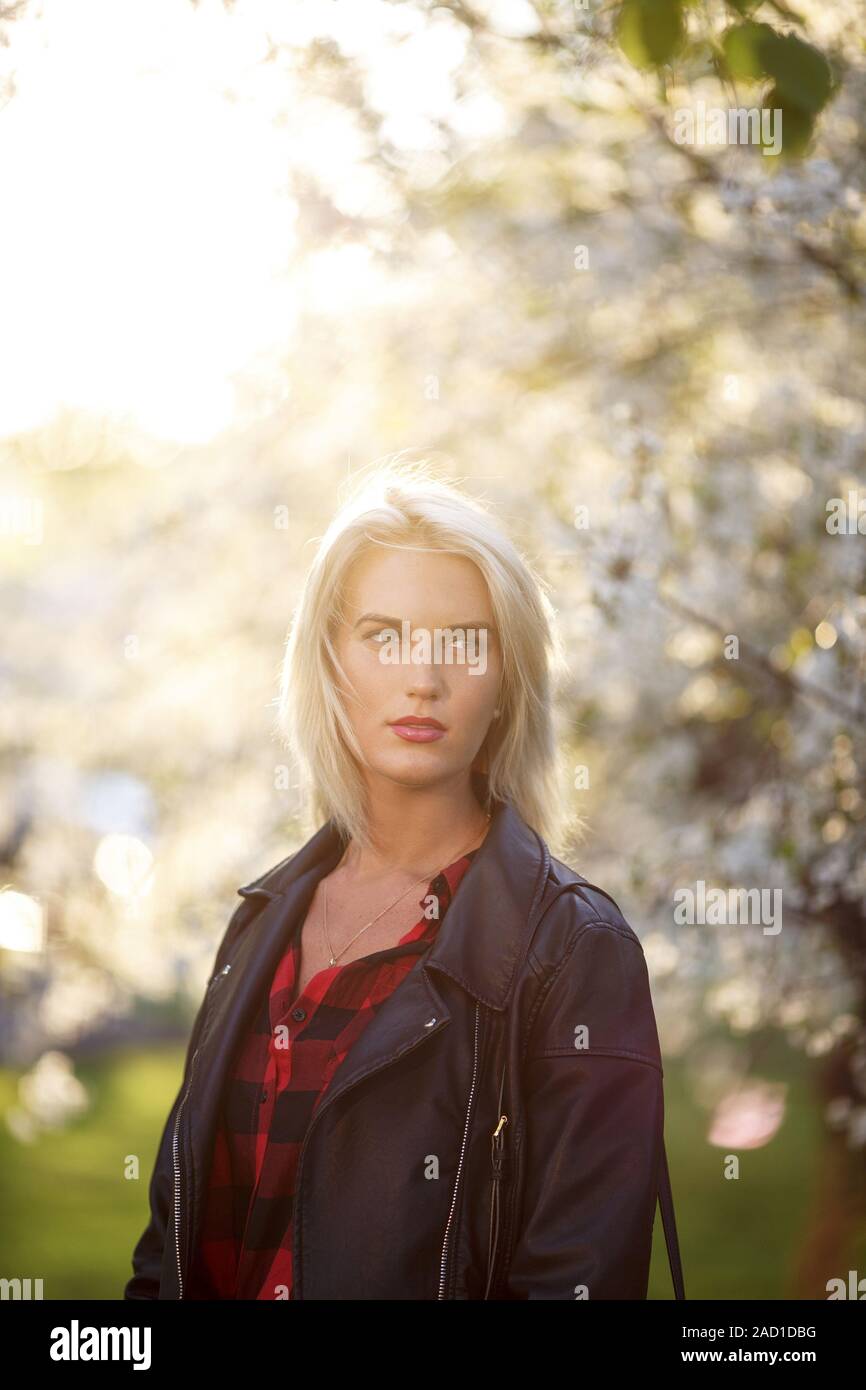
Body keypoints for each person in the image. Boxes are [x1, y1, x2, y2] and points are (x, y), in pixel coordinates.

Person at [124, 459, 683, 1300]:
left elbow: (580, 1281)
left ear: (506, 684)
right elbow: (168, 1248)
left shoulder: (574, 953)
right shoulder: (262, 921)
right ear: (329, 664)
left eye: (463, 641)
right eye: (383, 636)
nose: (423, 677)